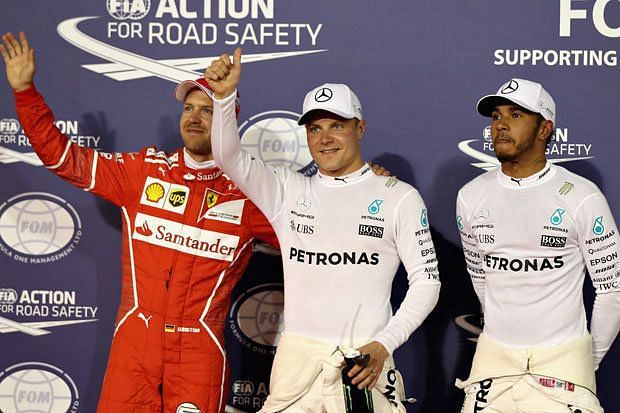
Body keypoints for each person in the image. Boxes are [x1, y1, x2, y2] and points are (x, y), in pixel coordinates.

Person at [0, 31, 281, 413]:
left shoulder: (251, 193)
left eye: (208, 110)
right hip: (135, 345)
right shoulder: (145, 174)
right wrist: (25, 92)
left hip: (199, 351)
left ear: (228, 119)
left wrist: (365, 182)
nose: (194, 119)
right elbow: (63, 158)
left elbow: (316, 238)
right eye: (188, 109)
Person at [204, 48, 441, 412]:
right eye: (315, 128)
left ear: (359, 128)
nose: (325, 138)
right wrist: (223, 98)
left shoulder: (399, 197)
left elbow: (427, 282)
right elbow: (228, 158)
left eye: (337, 126)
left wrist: (384, 344)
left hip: (364, 364)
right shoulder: (286, 189)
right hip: (295, 366)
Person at [455, 78, 620, 412]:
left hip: (562, 373)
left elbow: (612, 288)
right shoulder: (470, 195)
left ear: (545, 129)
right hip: (493, 368)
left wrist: (585, 363)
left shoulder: (582, 196)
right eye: (496, 116)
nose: (500, 124)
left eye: (516, 115)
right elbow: (482, 279)